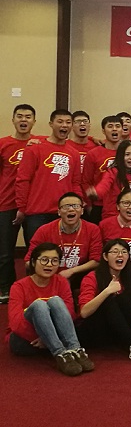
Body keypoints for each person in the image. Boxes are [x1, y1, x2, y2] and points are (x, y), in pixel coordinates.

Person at [8, 243, 95, 376]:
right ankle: (61, 354)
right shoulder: (19, 286)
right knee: (39, 305)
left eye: (54, 261)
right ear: (33, 262)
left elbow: (70, 314)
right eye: (44, 260)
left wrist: (49, 337)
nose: (49, 264)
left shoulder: (61, 282)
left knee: (56, 301)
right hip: (27, 339)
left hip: (56, 336)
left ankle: (75, 350)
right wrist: (45, 335)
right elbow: (15, 322)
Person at [78, 239, 131, 363]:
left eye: (124, 252)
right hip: (93, 329)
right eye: (115, 252)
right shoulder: (92, 277)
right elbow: (84, 312)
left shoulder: (127, 277)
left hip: (116, 329)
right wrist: (107, 291)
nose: (120, 255)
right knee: (109, 300)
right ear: (105, 256)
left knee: (123, 298)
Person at [16, 109, 82, 242]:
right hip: (37, 213)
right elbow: (23, 180)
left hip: (63, 212)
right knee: (37, 252)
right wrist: (21, 207)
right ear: (51, 124)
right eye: (60, 121)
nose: (64, 125)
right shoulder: (34, 149)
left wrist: (77, 204)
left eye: (68, 122)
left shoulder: (74, 154)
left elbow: (75, 183)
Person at [25, 192, 102, 293]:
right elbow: (28, 261)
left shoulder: (93, 229)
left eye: (76, 206)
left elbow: (96, 260)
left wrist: (71, 271)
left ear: (82, 211)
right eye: (66, 206)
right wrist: (50, 271)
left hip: (79, 273)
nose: (71, 209)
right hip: (51, 273)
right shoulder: (44, 230)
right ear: (59, 212)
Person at [0, 104, 38, 302]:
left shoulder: (40, 143)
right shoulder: (3, 144)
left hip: (33, 206)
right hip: (6, 204)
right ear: (13, 120)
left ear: (34, 121)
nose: (24, 120)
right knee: (5, 252)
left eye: (28, 117)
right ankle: (6, 288)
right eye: (20, 116)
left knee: (35, 251)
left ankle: (34, 289)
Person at [86, 140, 131, 219]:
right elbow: (104, 185)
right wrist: (96, 192)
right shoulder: (112, 172)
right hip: (112, 217)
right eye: (127, 154)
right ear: (120, 156)